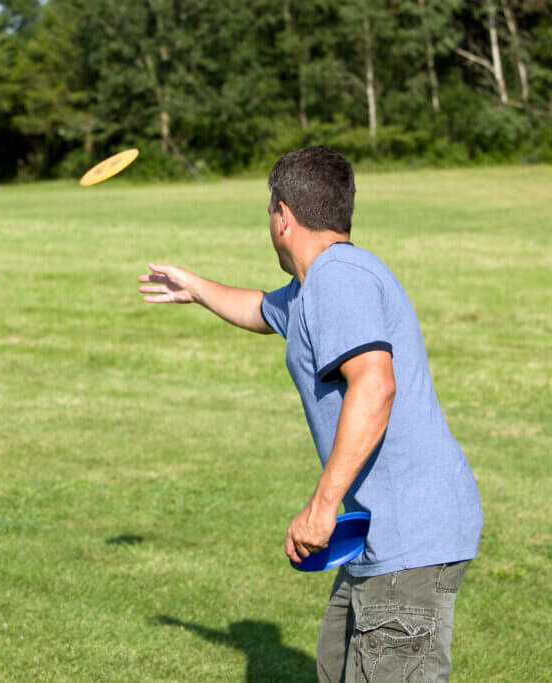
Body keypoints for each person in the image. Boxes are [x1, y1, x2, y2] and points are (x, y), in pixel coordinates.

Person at [137, 146, 482, 682]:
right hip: (380, 535)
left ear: (283, 216)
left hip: (409, 535)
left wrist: (323, 506)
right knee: (336, 665)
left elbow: (375, 384)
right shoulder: (311, 289)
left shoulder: (338, 279)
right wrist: (197, 289)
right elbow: (259, 309)